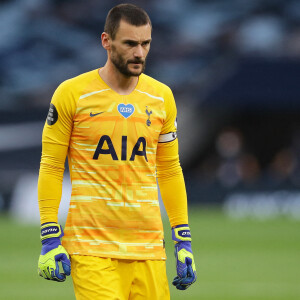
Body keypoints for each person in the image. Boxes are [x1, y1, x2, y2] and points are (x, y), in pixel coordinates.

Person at [37, 3, 196, 299]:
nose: (139, 53)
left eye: (145, 43)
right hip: (91, 248)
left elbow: (170, 169)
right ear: (106, 41)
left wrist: (183, 239)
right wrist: (49, 235)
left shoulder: (162, 98)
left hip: (148, 248)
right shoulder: (72, 94)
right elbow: (51, 166)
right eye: (130, 43)